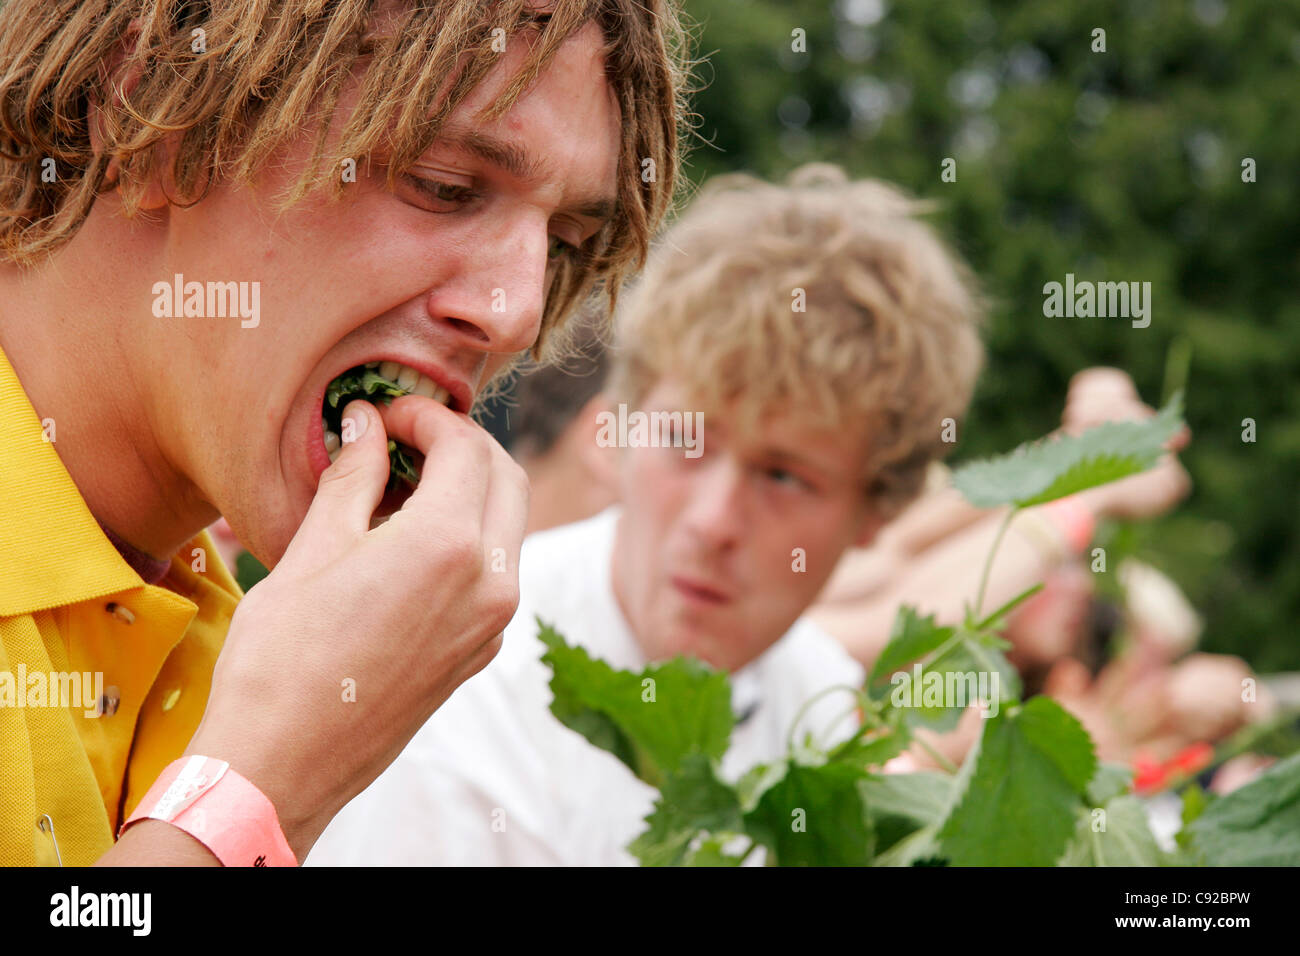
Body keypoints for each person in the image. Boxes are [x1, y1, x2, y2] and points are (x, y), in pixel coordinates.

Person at [0, 0, 689, 866]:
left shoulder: (230, 637)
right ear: (148, 108)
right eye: (443, 186)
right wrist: (254, 790)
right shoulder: (270, 720)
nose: (515, 315)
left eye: (563, 241)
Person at [305, 163, 988, 865]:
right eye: (687, 441)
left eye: (784, 476)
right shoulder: (456, 694)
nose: (714, 521)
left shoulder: (825, 712)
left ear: (875, 513)